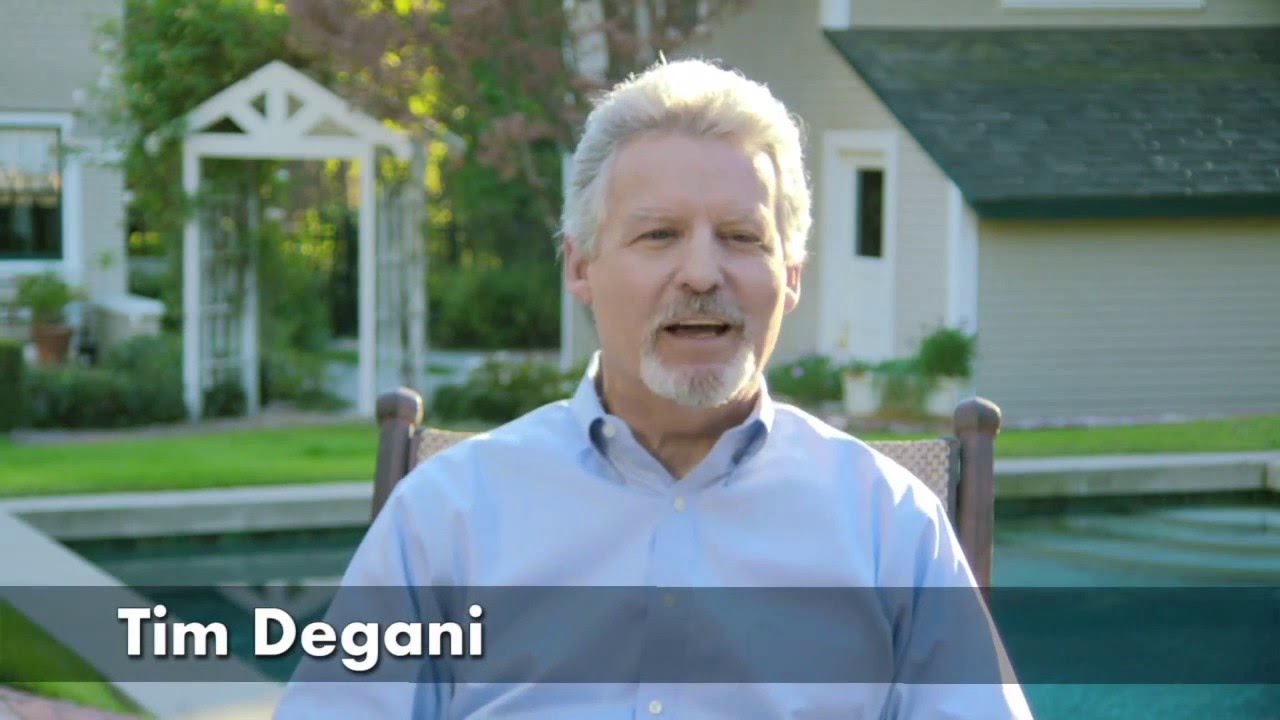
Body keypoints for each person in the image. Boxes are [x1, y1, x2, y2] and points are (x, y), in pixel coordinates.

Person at [273, 58, 1033, 719]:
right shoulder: (444, 518)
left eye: (742, 237)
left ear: (791, 276)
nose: (703, 273)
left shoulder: (890, 526)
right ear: (580, 266)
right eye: (658, 234)